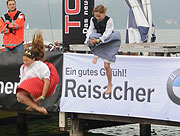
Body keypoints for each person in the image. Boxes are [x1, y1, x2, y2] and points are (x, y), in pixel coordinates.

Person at [16, 30, 59, 115]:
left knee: (21, 94)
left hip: (45, 88)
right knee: (20, 97)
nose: (25, 62)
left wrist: (42, 96)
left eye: (27, 60)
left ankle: (37, 107)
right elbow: (22, 82)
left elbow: (47, 81)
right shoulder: (23, 67)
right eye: (24, 60)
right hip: (33, 88)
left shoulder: (40, 66)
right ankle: (34, 104)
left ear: (33, 59)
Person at [84, 5, 121, 94]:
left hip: (107, 40)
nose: (97, 18)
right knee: (91, 37)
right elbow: (90, 30)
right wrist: (88, 39)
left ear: (104, 13)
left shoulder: (109, 20)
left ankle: (109, 83)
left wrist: (98, 40)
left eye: (99, 16)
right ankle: (96, 54)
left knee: (106, 66)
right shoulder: (93, 19)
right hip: (97, 37)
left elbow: (107, 33)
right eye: (96, 16)